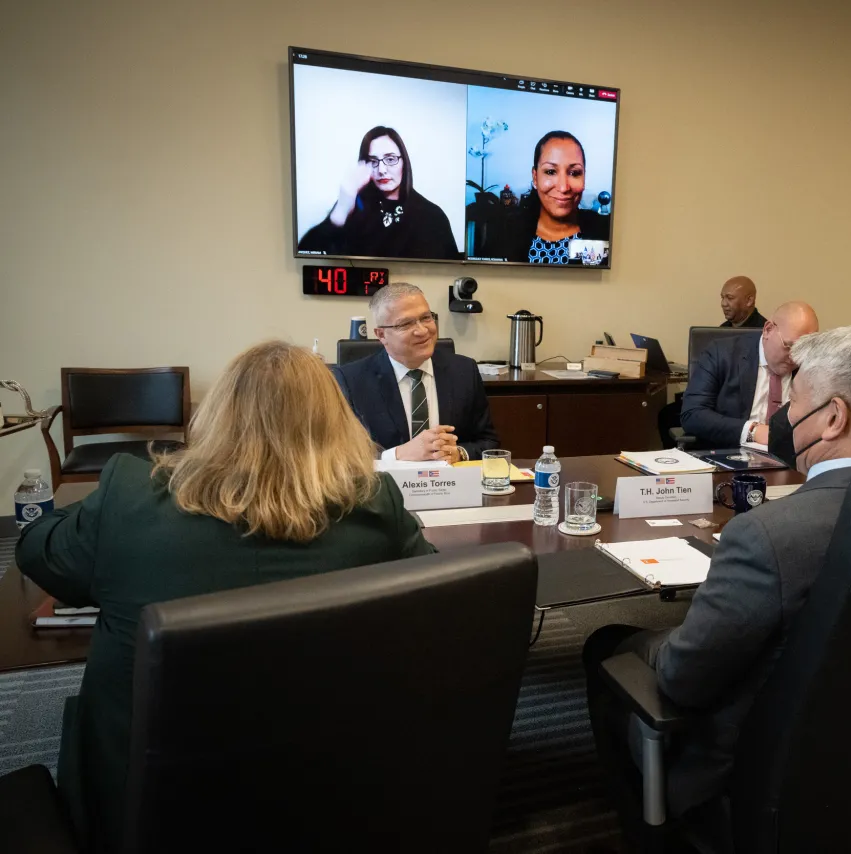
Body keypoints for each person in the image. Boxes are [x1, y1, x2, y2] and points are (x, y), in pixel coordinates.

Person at [15, 340, 434, 853]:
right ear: (337, 420)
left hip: (145, 804)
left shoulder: (128, 497)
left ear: (216, 416)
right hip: (327, 790)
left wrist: (77, 516)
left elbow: (39, 554)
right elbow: (436, 593)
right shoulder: (376, 505)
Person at [584, 325, 851, 822]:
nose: (784, 415)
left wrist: (661, 641)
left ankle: (647, 828)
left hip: (753, 772)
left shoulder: (768, 535)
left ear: (833, 417)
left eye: (793, 401)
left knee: (608, 646)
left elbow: (685, 679)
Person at [333, 282, 500, 462]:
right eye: (406, 324)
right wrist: (397, 455)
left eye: (426, 318)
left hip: (449, 484)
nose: (422, 330)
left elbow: (489, 442)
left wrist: (459, 453)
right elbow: (338, 456)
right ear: (381, 335)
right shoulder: (350, 381)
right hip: (385, 486)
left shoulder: (464, 371)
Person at [299, 125, 460, 261]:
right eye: (373, 161)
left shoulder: (431, 216)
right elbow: (309, 252)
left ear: (404, 162)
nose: (381, 170)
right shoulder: (354, 205)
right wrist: (342, 208)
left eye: (390, 159)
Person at [680, 301, 819, 449]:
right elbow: (693, 414)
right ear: (768, 330)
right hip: (729, 454)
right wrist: (753, 431)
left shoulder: (810, 366)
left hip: (791, 460)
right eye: (789, 346)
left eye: (803, 351)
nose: (795, 357)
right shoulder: (722, 353)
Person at [500, 130, 611, 264]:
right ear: (535, 177)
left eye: (574, 173)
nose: (564, 187)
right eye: (551, 172)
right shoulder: (507, 233)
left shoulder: (605, 230)